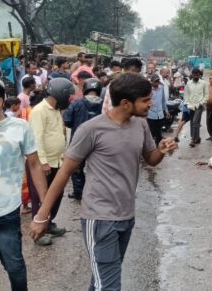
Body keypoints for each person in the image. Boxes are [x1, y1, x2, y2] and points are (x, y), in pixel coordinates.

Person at [30, 73, 178, 291]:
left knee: (102, 279)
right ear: (126, 103)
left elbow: (151, 159)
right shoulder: (91, 130)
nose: (151, 103)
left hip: (126, 216)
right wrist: (42, 216)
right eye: (146, 100)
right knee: (108, 285)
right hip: (99, 218)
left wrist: (162, 150)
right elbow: (64, 172)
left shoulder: (140, 125)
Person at [0, 78, 49, 291]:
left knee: (15, 268)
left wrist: (43, 209)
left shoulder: (19, 128)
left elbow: (34, 165)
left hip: (5, 214)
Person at [27, 77, 76, 246]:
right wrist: (43, 162)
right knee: (40, 197)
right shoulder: (39, 111)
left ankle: (48, 223)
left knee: (56, 195)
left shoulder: (56, 110)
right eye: (68, 96)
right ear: (60, 94)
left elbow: (60, 133)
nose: (69, 99)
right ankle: (38, 232)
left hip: (57, 161)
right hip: (43, 163)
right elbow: (36, 138)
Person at [62, 78, 103, 200]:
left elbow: (67, 120)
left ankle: (79, 193)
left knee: (76, 167)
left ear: (85, 89)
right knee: (98, 168)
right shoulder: (104, 105)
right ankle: (96, 193)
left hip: (78, 141)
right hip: (99, 141)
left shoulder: (77, 103)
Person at [181, 68, 206, 147]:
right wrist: (187, 104)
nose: (196, 76)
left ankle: (193, 140)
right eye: (194, 74)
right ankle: (197, 138)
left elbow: (206, 95)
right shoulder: (188, 83)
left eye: (197, 75)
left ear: (199, 75)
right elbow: (186, 95)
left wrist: (200, 103)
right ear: (192, 75)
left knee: (195, 121)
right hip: (191, 106)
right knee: (193, 122)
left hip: (199, 106)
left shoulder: (203, 83)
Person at [147, 74, 169, 144]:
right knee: (151, 133)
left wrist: (166, 111)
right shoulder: (148, 89)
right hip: (151, 115)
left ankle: (158, 147)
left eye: (158, 81)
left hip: (160, 114)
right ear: (151, 82)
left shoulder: (161, 88)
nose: (157, 83)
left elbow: (163, 101)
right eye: (155, 81)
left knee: (159, 133)